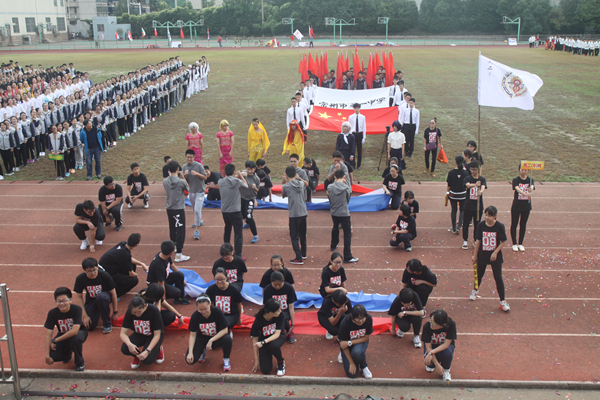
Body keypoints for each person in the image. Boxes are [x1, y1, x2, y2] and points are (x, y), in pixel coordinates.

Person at [471, 205, 509, 312]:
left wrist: (495, 252)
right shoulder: (481, 225)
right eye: (486, 215)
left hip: (495, 257)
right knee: (479, 275)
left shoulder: (500, 226)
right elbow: (478, 240)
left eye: (490, 216)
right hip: (483, 255)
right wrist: (475, 255)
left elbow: (503, 241)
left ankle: (503, 301)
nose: (487, 218)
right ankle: (475, 290)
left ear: (495, 216)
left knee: (498, 278)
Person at [44, 287, 88, 372]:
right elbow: (48, 334)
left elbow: (75, 331)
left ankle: (80, 362)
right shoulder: (52, 313)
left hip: (80, 333)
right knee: (53, 356)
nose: (62, 304)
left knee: (75, 338)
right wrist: (47, 355)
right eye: (59, 301)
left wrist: (56, 340)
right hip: (63, 334)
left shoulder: (77, 309)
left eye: (64, 300)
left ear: (70, 300)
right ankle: (67, 355)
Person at [185, 294, 233, 371]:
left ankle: (226, 358)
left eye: (205, 309)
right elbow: (192, 334)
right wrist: (190, 352)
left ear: (210, 304)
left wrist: (211, 340)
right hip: (202, 337)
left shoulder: (217, 312)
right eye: (200, 309)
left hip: (216, 337)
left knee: (227, 339)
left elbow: (225, 330)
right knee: (191, 360)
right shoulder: (195, 316)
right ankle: (202, 350)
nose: (203, 312)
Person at [73, 257, 118, 334]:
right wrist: (85, 315)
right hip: (91, 299)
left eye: (94, 270)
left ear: (97, 267)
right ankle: (99, 310)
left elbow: (113, 294)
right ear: (85, 271)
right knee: (89, 327)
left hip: (104, 297)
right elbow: (79, 297)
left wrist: (115, 312)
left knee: (101, 298)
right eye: (89, 271)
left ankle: (107, 324)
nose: (93, 273)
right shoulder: (80, 279)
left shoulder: (104, 275)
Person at [120, 296, 165, 369]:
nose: (137, 315)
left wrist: (147, 351)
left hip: (153, 335)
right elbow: (123, 333)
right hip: (140, 333)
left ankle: (158, 349)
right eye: (134, 313)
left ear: (144, 306)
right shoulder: (130, 311)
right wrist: (129, 344)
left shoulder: (153, 310)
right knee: (125, 348)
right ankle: (138, 356)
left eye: (139, 312)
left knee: (147, 360)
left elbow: (157, 335)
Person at [99, 233, 148, 298]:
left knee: (133, 265)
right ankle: (115, 294)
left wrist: (142, 264)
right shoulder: (125, 254)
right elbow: (131, 274)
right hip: (105, 273)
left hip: (104, 267)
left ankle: (116, 283)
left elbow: (128, 258)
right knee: (134, 280)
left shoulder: (122, 244)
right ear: (136, 245)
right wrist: (137, 274)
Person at [328, 169, 358, 263]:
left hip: (334, 212)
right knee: (347, 234)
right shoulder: (347, 188)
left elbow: (330, 197)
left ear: (335, 177)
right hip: (344, 212)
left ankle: (333, 244)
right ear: (344, 177)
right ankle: (347, 256)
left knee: (335, 227)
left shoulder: (330, 187)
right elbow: (347, 200)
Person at [250, 298, 286, 376]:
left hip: (277, 336)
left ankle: (280, 362)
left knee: (273, 345)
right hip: (264, 340)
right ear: (270, 313)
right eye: (278, 310)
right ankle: (268, 353)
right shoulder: (258, 321)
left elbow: (277, 334)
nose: (280, 311)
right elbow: (255, 340)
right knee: (265, 370)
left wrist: (263, 342)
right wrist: (256, 359)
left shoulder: (280, 315)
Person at [219, 163, 248, 258]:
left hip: (225, 211)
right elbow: (246, 186)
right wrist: (240, 176)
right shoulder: (237, 181)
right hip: (235, 211)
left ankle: (225, 250)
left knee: (227, 229)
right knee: (238, 233)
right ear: (234, 172)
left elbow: (227, 180)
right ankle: (238, 254)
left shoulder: (220, 181)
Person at [163, 160, 190, 262]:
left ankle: (172, 247)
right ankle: (179, 254)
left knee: (172, 228)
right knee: (180, 230)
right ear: (178, 169)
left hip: (169, 208)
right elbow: (187, 188)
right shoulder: (181, 181)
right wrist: (182, 176)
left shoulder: (165, 181)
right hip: (178, 208)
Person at [147, 240, 189, 304]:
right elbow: (161, 284)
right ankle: (157, 297)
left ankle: (179, 298)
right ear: (171, 253)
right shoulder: (159, 265)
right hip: (155, 284)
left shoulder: (164, 255)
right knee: (177, 292)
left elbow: (172, 265)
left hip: (164, 279)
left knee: (179, 275)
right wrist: (164, 301)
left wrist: (182, 280)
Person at [337, 305, 373, 379]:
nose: (361, 321)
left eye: (363, 318)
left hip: (360, 341)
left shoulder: (369, 319)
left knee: (357, 352)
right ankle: (344, 354)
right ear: (352, 316)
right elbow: (344, 344)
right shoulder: (345, 323)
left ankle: (364, 367)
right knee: (352, 374)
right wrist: (351, 363)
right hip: (346, 345)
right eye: (358, 319)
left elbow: (366, 338)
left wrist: (349, 343)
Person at [281, 165, 308, 265]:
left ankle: (298, 257)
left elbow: (284, 195)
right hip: (303, 212)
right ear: (296, 174)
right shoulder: (301, 183)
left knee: (294, 236)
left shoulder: (286, 186)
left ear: (286, 175)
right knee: (302, 234)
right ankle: (304, 253)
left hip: (293, 214)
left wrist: (287, 181)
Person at [263, 271, 297, 343]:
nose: (277, 287)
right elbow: (266, 306)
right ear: (271, 282)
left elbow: (291, 307)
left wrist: (292, 324)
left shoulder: (289, 288)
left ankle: (289, 332)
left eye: (280, 285)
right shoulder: (267, 289)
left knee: (282, 316)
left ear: (283, 281)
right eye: (275, 285)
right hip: (272, 311)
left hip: (285, 311)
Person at [422, 310, 456, 382]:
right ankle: (433, 365)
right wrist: (437, 365)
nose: (431, 324)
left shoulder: (451, 325)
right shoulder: (427, 326)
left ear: (442, 324)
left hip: (444, 347)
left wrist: (431, 353)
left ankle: (446, 370)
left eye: (434, 324)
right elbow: (428, 347)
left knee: (447, 353)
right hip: (432, 347)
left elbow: (446, 344)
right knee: (430, 366)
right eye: (430, 321)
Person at [206, 267, 244, 332]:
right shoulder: (211, 289)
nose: (219, 282)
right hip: (217, 314)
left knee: (222, 324)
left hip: (231, 315)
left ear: (226, 278)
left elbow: (239, 304)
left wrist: (239, 319)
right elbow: (208, 303)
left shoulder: (234, 290)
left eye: (222, 279)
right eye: (217, 279)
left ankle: (227, 334)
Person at [182, 149, 207, 241]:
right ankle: (199, 221)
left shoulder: (199, 166)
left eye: (191, 157)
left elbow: (205, 177)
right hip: (191, 192)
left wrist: (197, 174)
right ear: (185, 157)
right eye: (188, 157)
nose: (189, 159)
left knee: (197, 210)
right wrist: (184, 176)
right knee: (194, 208)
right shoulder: (184, 167)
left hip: (200, 191)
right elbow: (184, 182)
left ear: (194, 157)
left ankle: (197, 230)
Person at [462, 161, 487, 250]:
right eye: (472, 169)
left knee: (477, 224)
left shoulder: (482, 179)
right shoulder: (468, 178)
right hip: (468, 205)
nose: (474, 171)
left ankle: (475, 240)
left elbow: (484, 186)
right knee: (465, 224)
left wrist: (481, 191)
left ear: (478, 169)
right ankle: (465, 240)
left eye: (475, 169)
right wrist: (475, 185)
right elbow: (467, 185)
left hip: (478, 206)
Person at [511, 165, 534, 252]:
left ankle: (520, 243)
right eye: (522, 169)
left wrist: (530, 189)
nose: (523, 171)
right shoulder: (516, 180)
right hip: (516, 206)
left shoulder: (530, 180)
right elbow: (517, 188)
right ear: (519, 170)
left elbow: (532, 187)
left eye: (525, 170)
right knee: (514, 224)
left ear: (528, 170)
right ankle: (514, 243)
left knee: (523, 225)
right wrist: (525, 194)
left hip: (526, 206)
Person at [446, 155, 467, 234]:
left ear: (455, 162)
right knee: (462, 210)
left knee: (454, 210)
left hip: (453, 194)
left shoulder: (451, 173)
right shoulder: (465, 172)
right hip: (462, 194)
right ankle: (459, 226)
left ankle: (454, 228)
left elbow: (449, 185)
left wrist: (447, 193)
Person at [241, 160, 260, 244]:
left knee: (249, 216)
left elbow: (258, 190)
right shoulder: (243, 173)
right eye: (248, 169)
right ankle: (248, 223)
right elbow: (234, 176)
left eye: (251, 169)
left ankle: (255, 235)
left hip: (250, 199)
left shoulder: (256, 178)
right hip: (242, 198)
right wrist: (240, 174)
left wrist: (255, 188)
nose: (249, 171)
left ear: (255, 169)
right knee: (242, 215)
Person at [347, 104, 366, 169]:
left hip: (360, 134)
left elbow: (364, 127)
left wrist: (364, 137)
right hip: (353, 134)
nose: (357, 109)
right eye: (355, 108)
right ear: (354, 109)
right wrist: (348, 135)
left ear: (360, 108)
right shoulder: (351, 117)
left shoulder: (363, 117)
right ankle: (353, 164)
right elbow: (349, 126)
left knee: (359, 150)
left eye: (358, 108)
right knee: (352, 149)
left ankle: (359, 165)